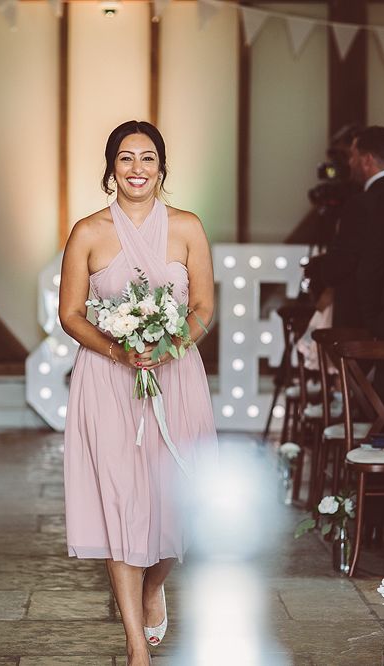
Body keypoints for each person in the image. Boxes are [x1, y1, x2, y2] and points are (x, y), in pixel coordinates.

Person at [59, 120, 217, 666]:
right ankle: (134, 644)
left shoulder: (189, 228)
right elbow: (70, 314)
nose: (136, 169)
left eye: (147, 158)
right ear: (110, 168)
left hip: (175, 377)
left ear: (162, 167)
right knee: (120, 502)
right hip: (108, 381)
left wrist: (171, 346)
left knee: (182, 495)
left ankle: (154, 585)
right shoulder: (87, 232)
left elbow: (202, 308)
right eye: (125, 159)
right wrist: (118, 350)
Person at [320, 127, 384, 329]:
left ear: (367, 160)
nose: (350, 162)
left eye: (352, 156)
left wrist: (320, 270)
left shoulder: (360, 203)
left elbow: (346, 260)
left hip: (361, 312)